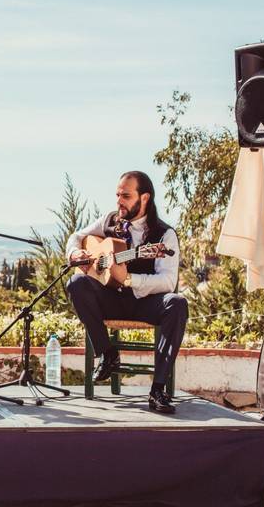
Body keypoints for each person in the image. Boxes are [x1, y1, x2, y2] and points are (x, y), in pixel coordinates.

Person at [66, 170, 185, 414]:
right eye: (118, 195)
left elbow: (168, 281)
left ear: (144, 199)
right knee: (76, 284)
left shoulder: (164, 236)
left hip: (144, 302)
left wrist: (130, 279)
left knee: (177, 303)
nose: (119, 201)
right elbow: (77, 236)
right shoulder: (109, 220)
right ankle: (107, 354)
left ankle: (158, 389)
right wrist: (75, 254)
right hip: (112, 299)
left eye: (126, 196)